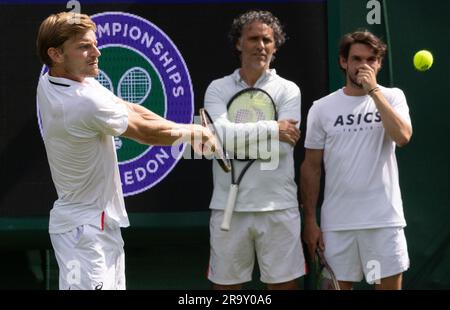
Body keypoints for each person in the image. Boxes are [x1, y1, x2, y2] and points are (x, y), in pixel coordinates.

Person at [36, 12, 215, 290]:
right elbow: (144, 133)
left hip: (97, 227)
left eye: (94, 44)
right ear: (55, 54)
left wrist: (186, 129)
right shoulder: (82, 102)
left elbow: (130, 109)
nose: (96, 52)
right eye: (84, 46)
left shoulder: (58, 81)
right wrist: (194, 132)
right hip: (84, 235)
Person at [301, 30, 413, 290]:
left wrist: (374, 91)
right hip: (337, 225)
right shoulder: (322, 108)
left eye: (371, 59)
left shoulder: (393, 97)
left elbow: (403, 136)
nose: (364, 65)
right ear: (344, 62)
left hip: (384, 222)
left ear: (379, 63)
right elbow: (311, 167)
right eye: (357, 59)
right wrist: (310, 221)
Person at [204, 10, 305, 290]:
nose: (260, 46)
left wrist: (237, 137)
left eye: (267, 40)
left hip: (278, 206)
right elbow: (220, 137)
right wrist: (274, 128)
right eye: (253, 39)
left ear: (275, 46)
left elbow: (284, 149)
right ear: (239, 44)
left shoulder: (289, 90)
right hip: (228, 209)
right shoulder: (217, 89)